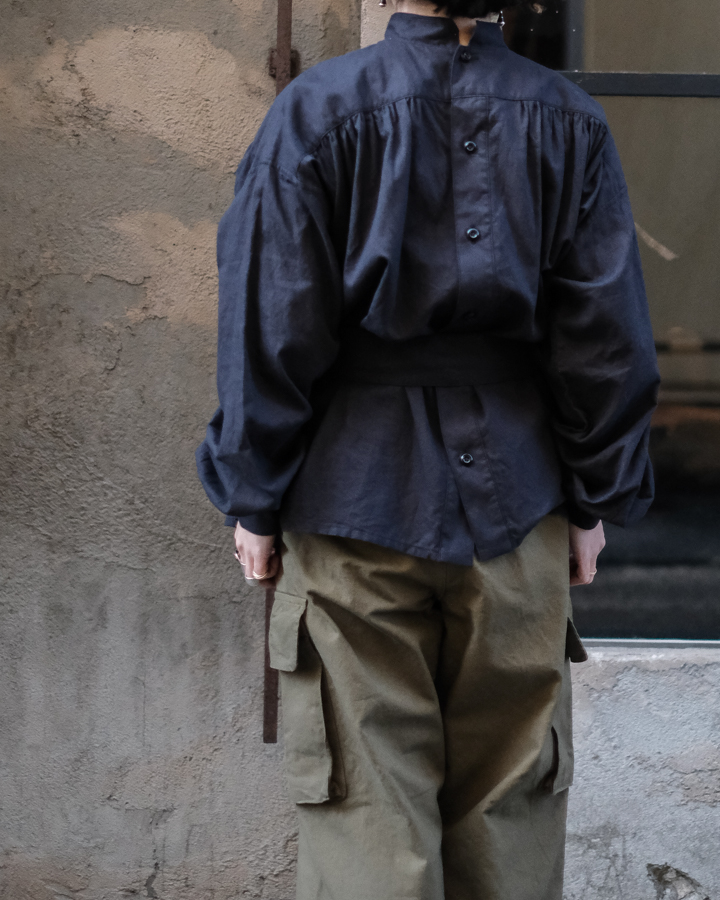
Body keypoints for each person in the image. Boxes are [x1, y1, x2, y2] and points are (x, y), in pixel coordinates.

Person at [196, 0, 660, 897]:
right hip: (522, 504)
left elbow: (271, 322)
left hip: (352, 503)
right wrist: (595, 497)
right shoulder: (569, 119)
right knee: (510, 823)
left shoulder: (317, 111)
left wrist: (253, 494)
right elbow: (605, 341)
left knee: (367, 816)